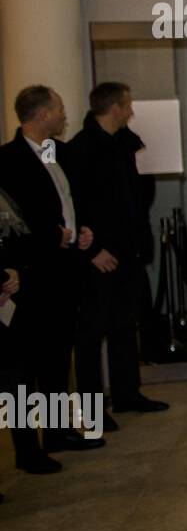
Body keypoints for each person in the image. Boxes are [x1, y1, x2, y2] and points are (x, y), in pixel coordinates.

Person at [0, 85, 106, 452]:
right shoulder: (8, 160)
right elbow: (12, 222)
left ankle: (58, 433)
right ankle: (27, 449)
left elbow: (69, 201)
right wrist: (51, 236)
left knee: (57, 358)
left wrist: (84, 230)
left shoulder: (58, 153)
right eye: (58, 109)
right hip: (30, 276)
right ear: (42, 114)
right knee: (22, 367)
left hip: (63, 272)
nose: (64, 115)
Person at [65, 82, 169, 420]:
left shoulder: (123, 144)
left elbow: (135, 198)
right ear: (114, 108)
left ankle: (127, 394)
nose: (131, 111)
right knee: (92, 332)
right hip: (99, 255)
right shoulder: (81, 150)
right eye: (127, 105)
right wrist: (92, 250)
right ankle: (93, 409)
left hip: (128, 251)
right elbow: (74, 206)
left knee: (126, 325)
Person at [0, 184, 63, 480]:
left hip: (9, 294)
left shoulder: (5, 195)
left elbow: (15, 238)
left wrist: (12, 272)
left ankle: (28, 449)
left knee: (18, 376)